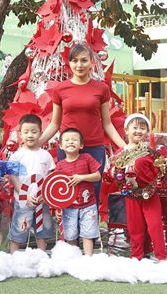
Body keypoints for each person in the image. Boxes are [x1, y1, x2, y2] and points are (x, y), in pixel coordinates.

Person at [40, 42, 128, 200]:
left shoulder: (101, 89)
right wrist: (36, 143)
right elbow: (54, 124)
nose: (79, 65)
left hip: (94, 148)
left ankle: (92, 218)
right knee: (66, 194)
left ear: (91, 62)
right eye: (75, 60)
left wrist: (125, 147)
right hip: (67, 149)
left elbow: (107, 124)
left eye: (84, 60)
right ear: (69, 63)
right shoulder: (60, 89)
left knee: (91, 195)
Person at [112, 114, 167, 261]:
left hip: (150, 195)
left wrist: (163, 171)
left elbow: (159, 172)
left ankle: (161, 256)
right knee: (135, 227)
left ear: (147, 132)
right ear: (126, 130)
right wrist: (114, 173)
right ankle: (137, 256)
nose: (138, 131)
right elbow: (115, 172)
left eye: (143, 128)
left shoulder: (151, 152)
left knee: (155, 225)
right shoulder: (120, 153)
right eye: (135, 127)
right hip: (131, 195)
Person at [7, 114, 56, 253]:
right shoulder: (17, 155)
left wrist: (45, 194)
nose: (30, 135)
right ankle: (13, 256)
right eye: (26, 132)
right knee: (19, 229)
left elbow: (50, 175)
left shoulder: (46, 155)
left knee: (43, 229)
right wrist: (24, 194)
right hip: (23, 201)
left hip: (42, 200)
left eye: (34, 132)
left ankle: (42, 255)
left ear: (41, 133)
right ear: (20, 134)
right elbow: (13, 176)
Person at [54, 128, 102, 255]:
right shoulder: (60, 165)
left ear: (81, 145)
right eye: (67, 140)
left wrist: (82, 178)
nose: (70, 142)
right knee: (70, 235)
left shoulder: (86, 158)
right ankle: (73, 258)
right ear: (61, 146)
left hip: (88, 205)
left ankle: (88, 258)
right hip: (69, 206)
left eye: (74, 140)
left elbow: (97, 176)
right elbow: (55, 189)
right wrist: (58, 208)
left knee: (88, 234)